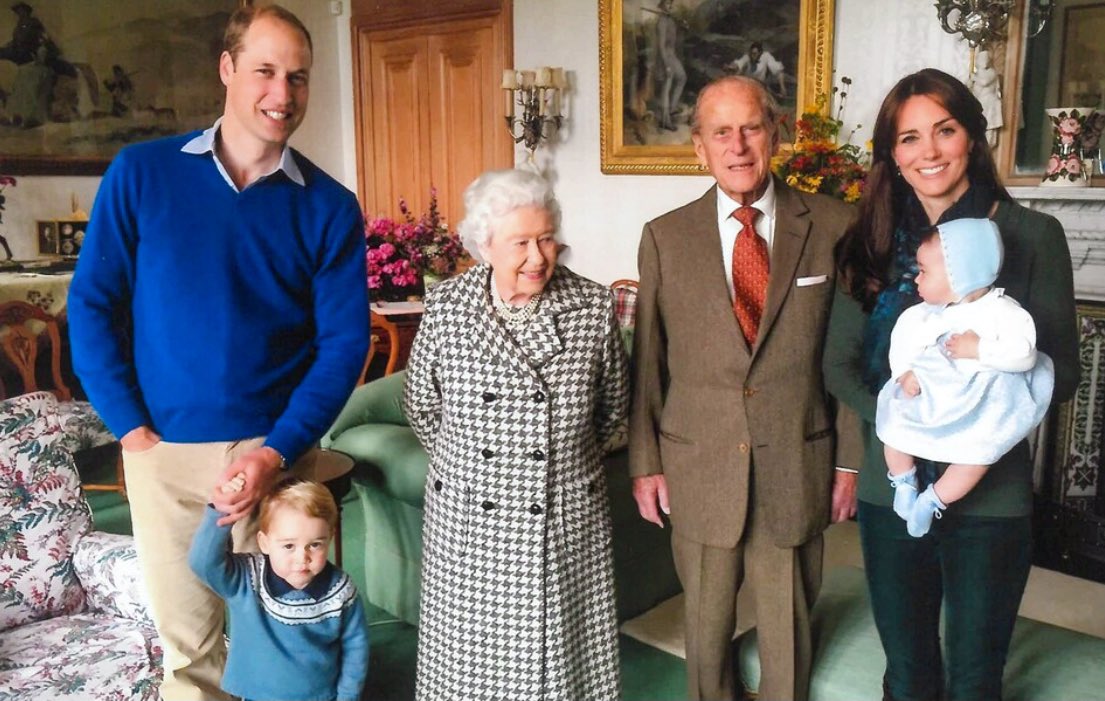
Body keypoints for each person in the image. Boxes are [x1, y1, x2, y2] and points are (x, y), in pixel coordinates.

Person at [66, 5, 369, 700]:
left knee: (296, 638)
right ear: (227, 69)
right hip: (162, 454)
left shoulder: (327, 204)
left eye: (298, 77)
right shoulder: (141, 173)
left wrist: (277, 449)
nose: (282, 94)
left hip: (279, 453)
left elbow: (344, 344)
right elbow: (91, 304)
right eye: (264, 71)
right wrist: (128, 425)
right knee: (190, 652)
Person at [823, 68, 1079, 701]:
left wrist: (972, 416)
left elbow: (1063, 371)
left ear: (972, 137)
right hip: (894, 492)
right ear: (892, 154)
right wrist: (905, 417)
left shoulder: (1030, 236)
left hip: (991, 497)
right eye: (908, 138)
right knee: (907, 673)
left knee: (974, 678)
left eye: (945, 130)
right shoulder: (870, 242)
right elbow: (838, 366)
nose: (928, 151)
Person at [629, 75, 860, 701]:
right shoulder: (664, 236)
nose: (738, 145)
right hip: (697, 464)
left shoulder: (837, 225)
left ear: (776, 134)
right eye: (720, 132)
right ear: (699, 148)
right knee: (705, 635)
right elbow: (649, 362)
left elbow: (849, 359)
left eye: (751, 127)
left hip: (798, 460)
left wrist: (848, 461)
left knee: (788, 635)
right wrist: (646, 463)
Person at [403, 168, 629, 700]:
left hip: (561, 515)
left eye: (547, 238)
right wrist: (477, 468)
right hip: (467, 522)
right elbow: (421, 407)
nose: (538, 257)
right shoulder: (446, 307)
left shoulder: (592, 308)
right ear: (485, 245)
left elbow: (614, 412)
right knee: (469, 668)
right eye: (521, 242)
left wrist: (559, 465)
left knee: (561, 669)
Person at [876, 218, 1055, 537]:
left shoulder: (1003, 312)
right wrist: (904, 373)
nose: (916, 278)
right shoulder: (923, 314)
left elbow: (1024, 354)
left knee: (978, 455)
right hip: (930, 395)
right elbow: (901, 344)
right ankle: (904, 481)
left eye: (924, 271)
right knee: (893, 425)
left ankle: (933, 500)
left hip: (978, 404)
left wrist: (980, 349)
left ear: (961, 274)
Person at [189, 479, 369, 701]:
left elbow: (356, 648)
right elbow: (203, 562)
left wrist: (347, 696)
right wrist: (221, 513)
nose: (301, 558)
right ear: (264, 543)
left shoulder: (341, 590)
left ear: (329, 539)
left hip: (319, 696)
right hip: (257, 694)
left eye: (315, 544)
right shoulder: (246, 577)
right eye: (288, 546)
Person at [654, 0, 686, 131]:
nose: (670, 6)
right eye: (667, 4)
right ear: (662, 6)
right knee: (666, 86)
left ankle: (672, 108)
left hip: (672, 56)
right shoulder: (661, 22)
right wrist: (666, 64)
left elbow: (676, 39)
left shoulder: (671, 21)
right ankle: (665, 120)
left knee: (682, 77)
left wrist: (683, 27)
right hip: (664, 58)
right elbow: (661, 46)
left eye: (671, 4)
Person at [969, 50, 1003, 147]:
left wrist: (973, 77)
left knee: (989, 127)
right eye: (981, 59)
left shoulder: (991, 72)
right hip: (981, 102)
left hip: (989, 102)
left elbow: (984, 82)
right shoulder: (977, 74)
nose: (983, 62)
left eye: (985, 59)